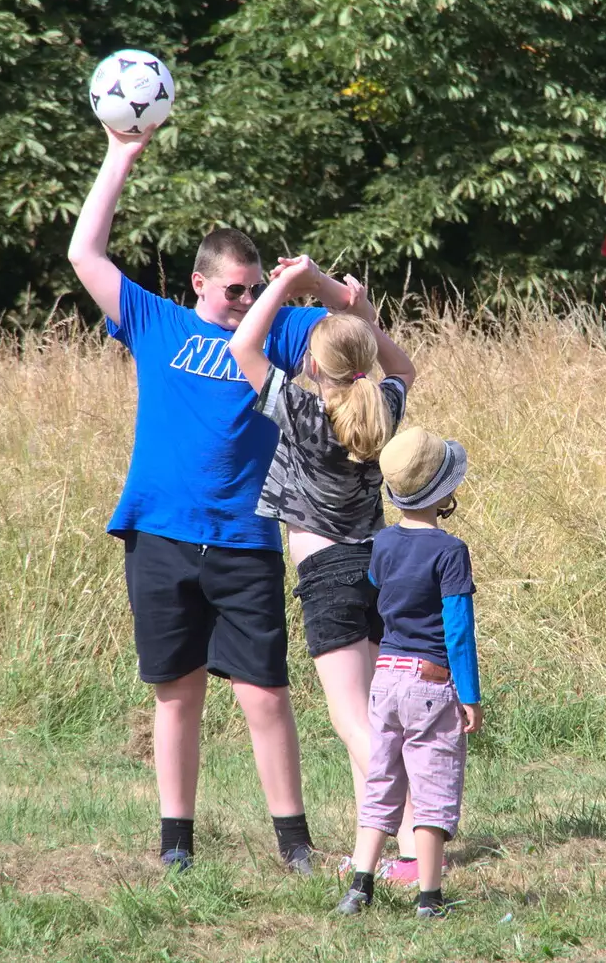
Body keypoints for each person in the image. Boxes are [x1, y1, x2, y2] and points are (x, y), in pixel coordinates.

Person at [66, 126, 374, 874]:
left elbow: (359, 330)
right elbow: (85, 255)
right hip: (160, 533)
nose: (244, 301)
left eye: (253, 287)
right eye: (233, 289)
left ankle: (293, 843)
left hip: (245, 538)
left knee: (265, 697)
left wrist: (311, 286)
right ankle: (177, 844)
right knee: (177, 696)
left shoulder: (280, 327)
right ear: (199, 285)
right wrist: (119, 157)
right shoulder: (155, 322)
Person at [227, 254, 425, 880]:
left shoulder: (304, 412)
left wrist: (287, 282)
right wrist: (349, 306)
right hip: (376, 565)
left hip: (327, 574)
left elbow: (241, 346)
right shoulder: (384, 403)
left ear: (312, 366)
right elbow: (402, 365)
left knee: (353, 721)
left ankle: (416, 851)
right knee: (376, 713)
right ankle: (403, 840)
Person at [335, 428, 482, 919]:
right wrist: (470, 694)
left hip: (386, 678)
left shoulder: (383, 544)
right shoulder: (450, 551)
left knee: (383, 780)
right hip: (431, 681)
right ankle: (429, 898)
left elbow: (377, 595)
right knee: (433, 784)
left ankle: (360, 886)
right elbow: (458, 631)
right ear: (444, 493)